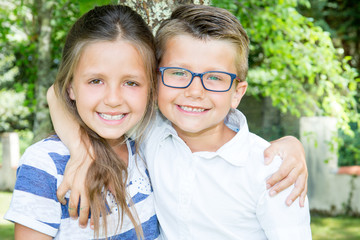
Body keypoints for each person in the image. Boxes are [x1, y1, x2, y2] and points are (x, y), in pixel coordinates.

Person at [46, 3, 309, 238]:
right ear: (155, 81)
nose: (195, 92)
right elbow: (57, 94)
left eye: (215, 78)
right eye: (178, 73)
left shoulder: (274, 171)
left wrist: (292, 145)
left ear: (237, 93)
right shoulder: (152, 131)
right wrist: (81, 151)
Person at [4, 5, 159, 240]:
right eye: (96, 81)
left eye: (131, 83)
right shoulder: (45, 164)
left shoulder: (150, 150)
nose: (114, 100)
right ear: (70, 87)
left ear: (151, 89)